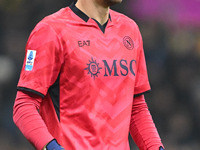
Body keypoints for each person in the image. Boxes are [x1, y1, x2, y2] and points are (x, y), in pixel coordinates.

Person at [13, 0, 165, 150]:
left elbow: (136, 107)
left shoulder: (130, 29)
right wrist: (52, 147)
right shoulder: (51, 30)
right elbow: (24, 105)